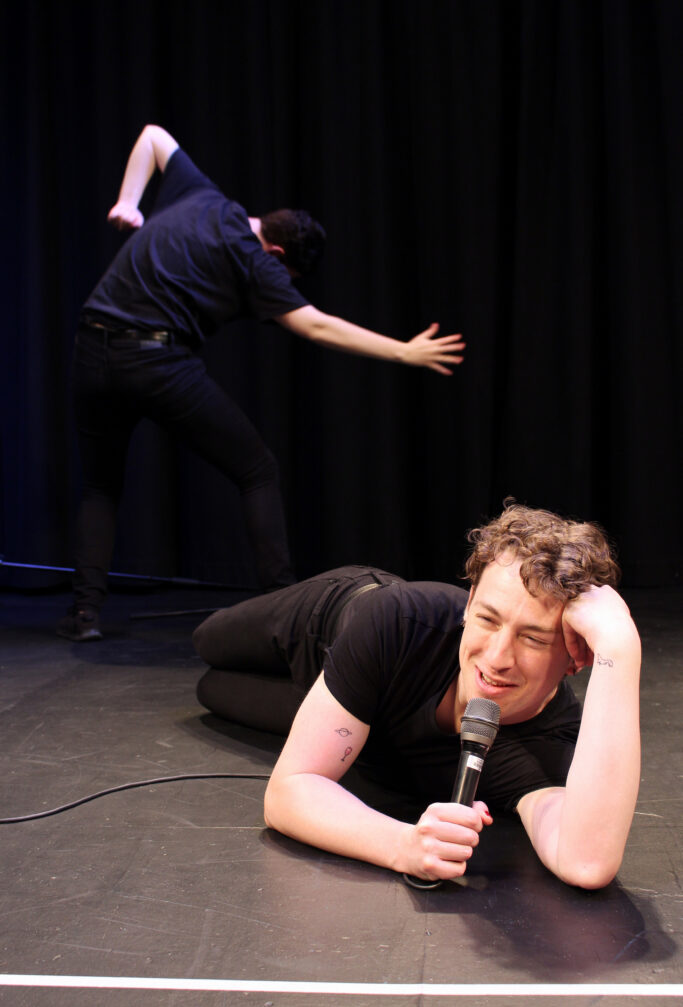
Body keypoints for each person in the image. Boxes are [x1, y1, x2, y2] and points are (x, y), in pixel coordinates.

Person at [58, 125, 465, 641]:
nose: (282, 291)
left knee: (100, 485)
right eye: (287, 280)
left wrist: (129, 202)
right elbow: (314, 324)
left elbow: (154, 137)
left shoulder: (200, 193)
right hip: (155, 361)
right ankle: (287, 607)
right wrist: (404, 350)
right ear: (276, 256)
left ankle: (84, 614)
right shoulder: (256, 262)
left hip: (90, 347)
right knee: (257, 469)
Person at [193, 502, 642, 890]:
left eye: (534, 639)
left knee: (210, 690)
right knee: (207, 641)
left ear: (575, 657)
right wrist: (401, 846)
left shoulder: (547, 743)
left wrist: (619, 646)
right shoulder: (399, 621)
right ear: (468, 605)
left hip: (352, 702)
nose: (498, 656)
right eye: (487, 619)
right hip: (324, 621)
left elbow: (586, 864)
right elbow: (285, 796)